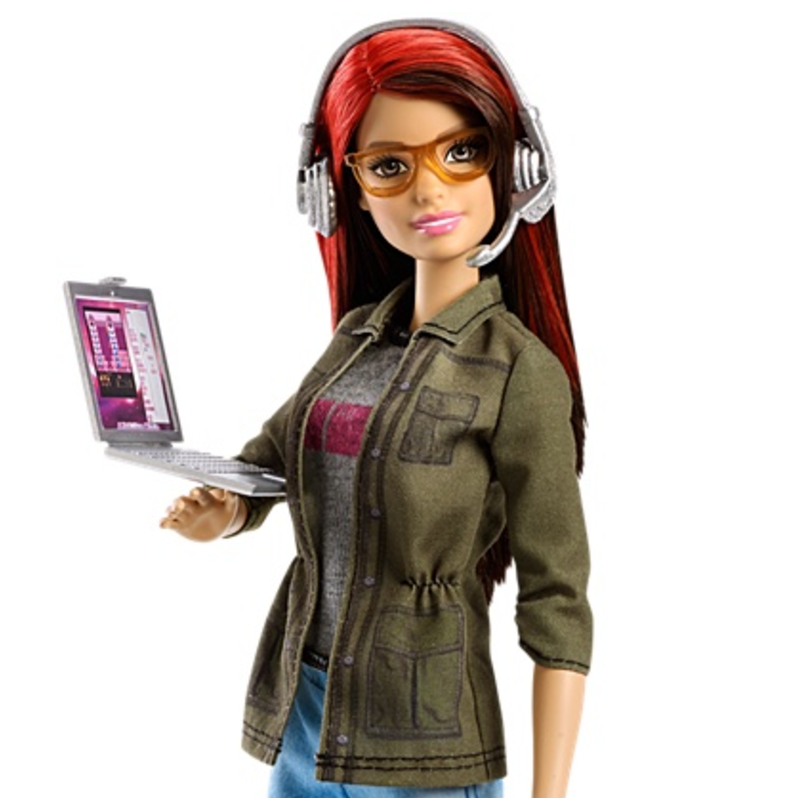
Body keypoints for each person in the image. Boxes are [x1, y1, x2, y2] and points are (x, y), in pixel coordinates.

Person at [160, 19, 592, 798]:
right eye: (390, 166)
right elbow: (275, 458)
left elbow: (556, 599)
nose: (429, 189)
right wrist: (227, 510)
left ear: (520, 168)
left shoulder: (517, 370)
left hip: (423, 739)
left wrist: (550, 794)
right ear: (343, 191)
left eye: (463, 152)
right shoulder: (358, 339)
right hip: (308, 712)